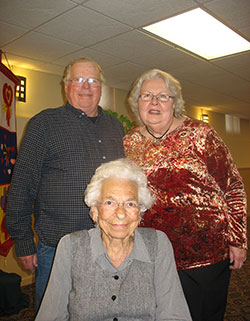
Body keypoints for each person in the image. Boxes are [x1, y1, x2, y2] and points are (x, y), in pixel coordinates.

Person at [123, 68, 248, 321]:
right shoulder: (130, 142)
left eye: (163, 96)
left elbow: (232, 186)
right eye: (147, 95)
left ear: (175, 103)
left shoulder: (202, 134)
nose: (154, 102)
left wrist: (238, 239)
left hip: (205, 254)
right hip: (154, 253)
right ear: (137, 103)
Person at [5, 57, 125, 309]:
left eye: (93, 80)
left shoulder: (116, 127)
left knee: (102, 311)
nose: (86, 86)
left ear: (101, 86)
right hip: (59, 250)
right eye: (78, 79)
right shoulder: (44, 124)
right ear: (66, 85)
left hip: (108, 247)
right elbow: (22, 186)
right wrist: (24, 242)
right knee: (55, 314)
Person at [35, 158, 192, 321]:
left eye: (130, 204)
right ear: (95, 211)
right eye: (110, 202)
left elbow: (174, 315)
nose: (121, 213)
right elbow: (51, 316)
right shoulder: (71, 246)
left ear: (140, 212)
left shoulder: (158, 244)